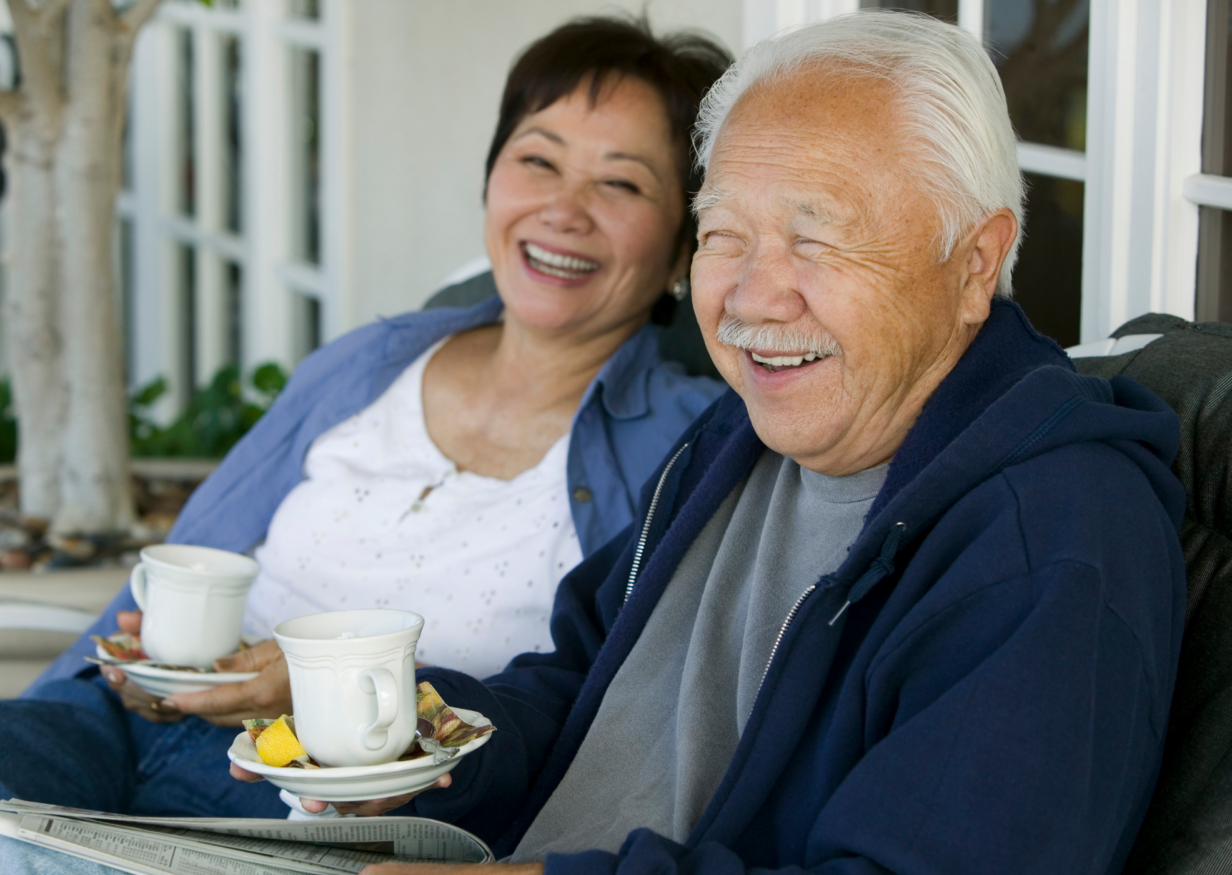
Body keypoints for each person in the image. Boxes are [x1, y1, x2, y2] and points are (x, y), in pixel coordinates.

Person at [261, 10, 1181, 874]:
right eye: (723, 234)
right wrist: (414, 746)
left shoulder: (1054, 538)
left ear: (975, 261)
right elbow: (580, 683)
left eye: (817, 240)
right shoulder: (744, 432)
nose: (751, 298)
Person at [0, 16, 732, 874]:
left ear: (685, 244)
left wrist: (316, 690)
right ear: (494, 175)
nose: (564, 209)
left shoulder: (684, 449)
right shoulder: (375, 360)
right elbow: (192, 552)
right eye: (538, 159)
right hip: (131, 730)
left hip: (321, 808)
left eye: (623, 184)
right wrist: (145, 667)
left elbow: (606, 720)